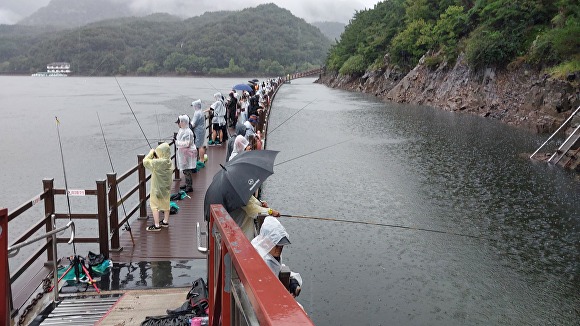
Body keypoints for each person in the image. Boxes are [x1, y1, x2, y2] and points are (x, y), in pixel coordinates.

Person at [251, 216, 302, 298]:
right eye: (277, 245)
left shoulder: (268, 251)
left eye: (282, 246)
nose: (280, 248)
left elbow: (277, 268)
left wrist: (293, 281)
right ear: (267, 242)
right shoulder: (260, 260)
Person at [143, 143, 173, 231]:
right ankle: (165, 222)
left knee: (154, 205)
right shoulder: (169, 161)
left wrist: (151, 153)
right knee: (166, 203)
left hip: (156, 188)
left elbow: (145, 162)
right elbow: (162, 163)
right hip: (166, 188)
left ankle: (156, 225)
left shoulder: (157, 163)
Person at [175, 115, 197, 193]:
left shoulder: (188, 131)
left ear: (183, 122)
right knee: (185, 169)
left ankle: (189, 186)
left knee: (187, 169)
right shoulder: (182, 130)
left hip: (187, 153)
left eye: (179, 122)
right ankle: (187, 183)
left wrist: (177, 142)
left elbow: (187, 143)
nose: (178, 124)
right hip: (184, 153)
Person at [190, 99, 206, 168]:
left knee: (199, 146)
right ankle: (201, 159)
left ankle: (201, 160)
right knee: (201, 144)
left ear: (196, 106)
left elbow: (193, 124)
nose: (193, 107)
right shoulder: (201, 111)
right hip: (202, 130)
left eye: (194, 106)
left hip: (198, 131)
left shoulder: (197, 113)